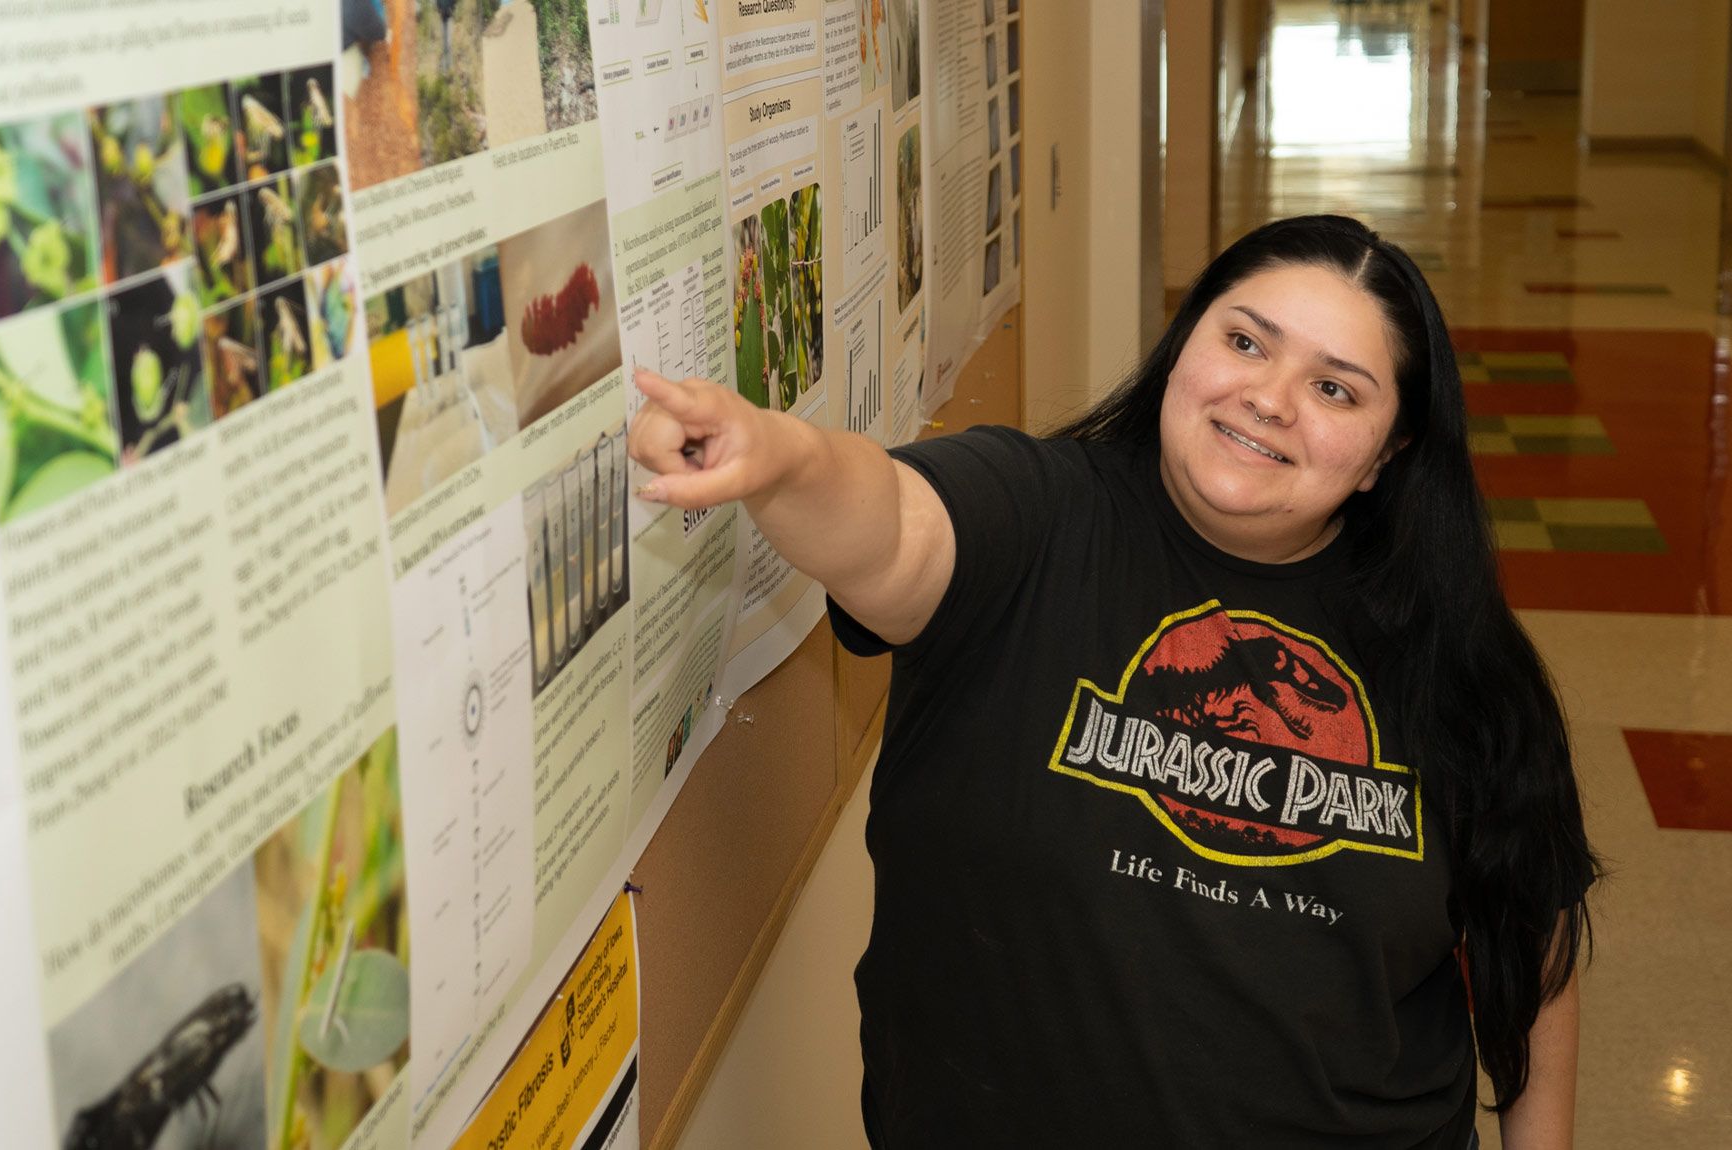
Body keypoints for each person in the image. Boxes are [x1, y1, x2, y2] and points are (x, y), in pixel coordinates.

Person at [629, 215, 1598, 1148]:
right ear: (1182, 346)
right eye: (1245, 342)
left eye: (1335, 389)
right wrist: (784, 460)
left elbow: (1529, 940)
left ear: (1388, 452)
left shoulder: (1460, 657)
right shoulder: (1032, 519)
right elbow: (887, 520)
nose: (1270, 399)